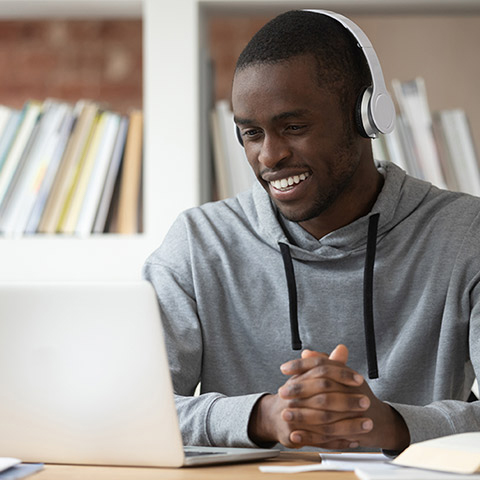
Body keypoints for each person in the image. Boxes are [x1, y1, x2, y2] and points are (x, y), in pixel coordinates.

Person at [143, 9, 480, 453]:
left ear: (366, 117)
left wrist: (393, 424)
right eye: (251, 133)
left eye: (294, 127)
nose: (269, 156)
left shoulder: (465, 234)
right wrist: (262, 415)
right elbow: (134, 411)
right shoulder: (198, 243)